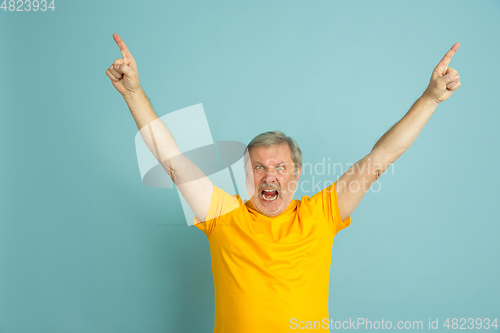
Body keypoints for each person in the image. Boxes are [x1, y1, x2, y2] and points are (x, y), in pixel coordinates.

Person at [106, 33, 461, 332]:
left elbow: (378, 160)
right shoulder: (223, 214)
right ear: (246, 175)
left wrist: (430, 99)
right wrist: (133, 94)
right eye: (258, 168)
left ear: (296, 174)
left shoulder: (321, 213)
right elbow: (174, 164)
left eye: (278, 166)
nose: (269, 175)